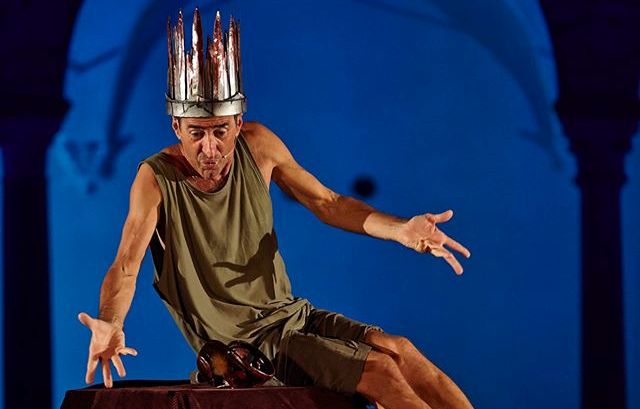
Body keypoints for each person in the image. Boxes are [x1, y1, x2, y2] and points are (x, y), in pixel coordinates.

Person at [78, 9, 473, 409]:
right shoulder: (156, 178)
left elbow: (327, 202)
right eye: (196, 133)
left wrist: (400, 229)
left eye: (220, 131)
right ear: (177, 127)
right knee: (381, 370)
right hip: (246, 346)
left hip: (291, 316)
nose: (209, 148)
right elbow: (126, 266)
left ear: (239, 122)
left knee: (401, 350)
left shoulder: (259, 146)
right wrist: (110, 322)